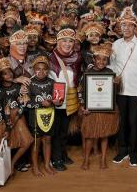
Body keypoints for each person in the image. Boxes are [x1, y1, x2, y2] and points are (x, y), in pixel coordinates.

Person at [110, 7, 137, 167]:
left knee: (134, 123)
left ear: (135, 28)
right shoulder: (116, 44)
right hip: (120, 91)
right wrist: (114, 78)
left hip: (136, 91)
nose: (126, 28)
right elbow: (113, 66)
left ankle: (133, 152)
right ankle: (122, 150)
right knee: (122, 122)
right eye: (123, 25)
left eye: (129, 25)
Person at [49, 20, 82, 171]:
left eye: (70, 41)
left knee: (64, 130)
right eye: (64, 41)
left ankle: (62, 154)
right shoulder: (51, 58)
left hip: (70, 99)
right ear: (58, 41)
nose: (68, 44)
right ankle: (56, 159)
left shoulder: (77, 57)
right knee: (56, 131)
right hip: (56, 100)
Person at [80, 43, 119, 170]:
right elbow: (80, 91)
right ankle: (86, 160)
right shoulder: (87, 73)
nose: (101, 61)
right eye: (99, 59)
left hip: (106, 110)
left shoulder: (110, 73)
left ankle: (103, 160)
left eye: (104, 59)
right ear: (94, 59)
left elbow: (113, 93)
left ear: (107, 61)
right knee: (90, 135)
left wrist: (117, 84)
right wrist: (82, 106)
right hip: (91, 109)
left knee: (104, 135)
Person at [22, 55, 58, 177]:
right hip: (34, 117)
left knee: (47, 140)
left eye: (44, 69)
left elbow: (58, 100)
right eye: (38, 69)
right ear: (33, 70)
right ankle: (35, 167)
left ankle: (47, 165)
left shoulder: (52, 82)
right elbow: (26, 103)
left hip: (50, 116)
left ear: (48, 70)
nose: (41, 72)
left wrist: (55, 102)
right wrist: (39, 103)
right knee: (36, 142)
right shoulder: (29, 83)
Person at [0, 57, 33, 175]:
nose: (9, 75)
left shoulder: (18, 87)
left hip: (19, 116)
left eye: (10, 72)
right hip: (5, 118)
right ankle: (8, 165)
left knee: (26, 141)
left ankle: (12, 163)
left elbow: (24, 101)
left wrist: (23, 98)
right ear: (0, 76)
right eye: (5, 74)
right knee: (10, 142)